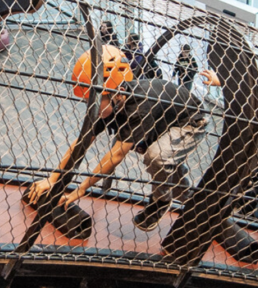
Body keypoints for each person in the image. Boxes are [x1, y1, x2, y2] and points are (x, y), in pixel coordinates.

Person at [27, 45, 223, 232]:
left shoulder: (139, 107)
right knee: (167, 167)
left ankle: (160, 202)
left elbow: (116, 155)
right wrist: (52, 180)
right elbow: (82, 143)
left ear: (116, 93)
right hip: (163, 119)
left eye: (93, 101)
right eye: (88, 101)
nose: (90, 106)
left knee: (158, 157)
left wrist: (81, 189)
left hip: (190, 120)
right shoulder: (106, 101)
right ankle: (194, 202)